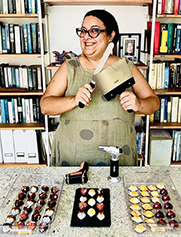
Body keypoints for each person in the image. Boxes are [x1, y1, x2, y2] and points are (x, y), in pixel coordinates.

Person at [40, 9, 160, 167]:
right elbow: (45, 106)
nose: (86, 36)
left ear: (111, 35)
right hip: (73, 157)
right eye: (83, 31)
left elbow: (154, 103)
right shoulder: (69, 67)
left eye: (94, 31)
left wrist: (139, 104)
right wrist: (73, 100)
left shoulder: (126, 68)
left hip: (118, 157)